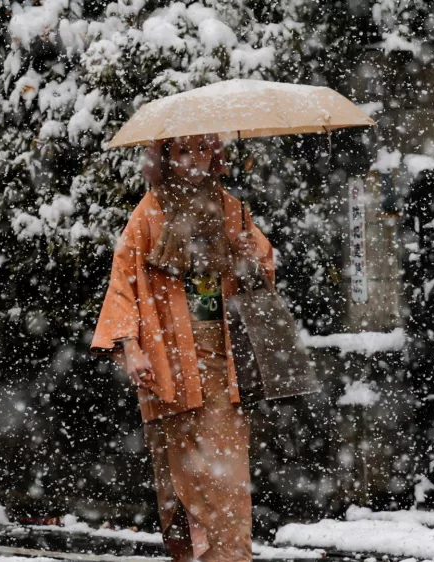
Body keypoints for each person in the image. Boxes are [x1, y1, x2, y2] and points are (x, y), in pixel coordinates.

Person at [90, 133, 275, 562]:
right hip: (167, 359)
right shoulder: (150, 212)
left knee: (227, 478)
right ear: (166, 158)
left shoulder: (232, 209)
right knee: (177, 479)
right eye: (183, 151)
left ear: (217, 155)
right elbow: (124, 284)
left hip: (223, 362)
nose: (195, 160)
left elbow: (262, 276)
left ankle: (229, 557)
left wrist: (249, 256)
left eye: (204, 149)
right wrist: (130, 347)